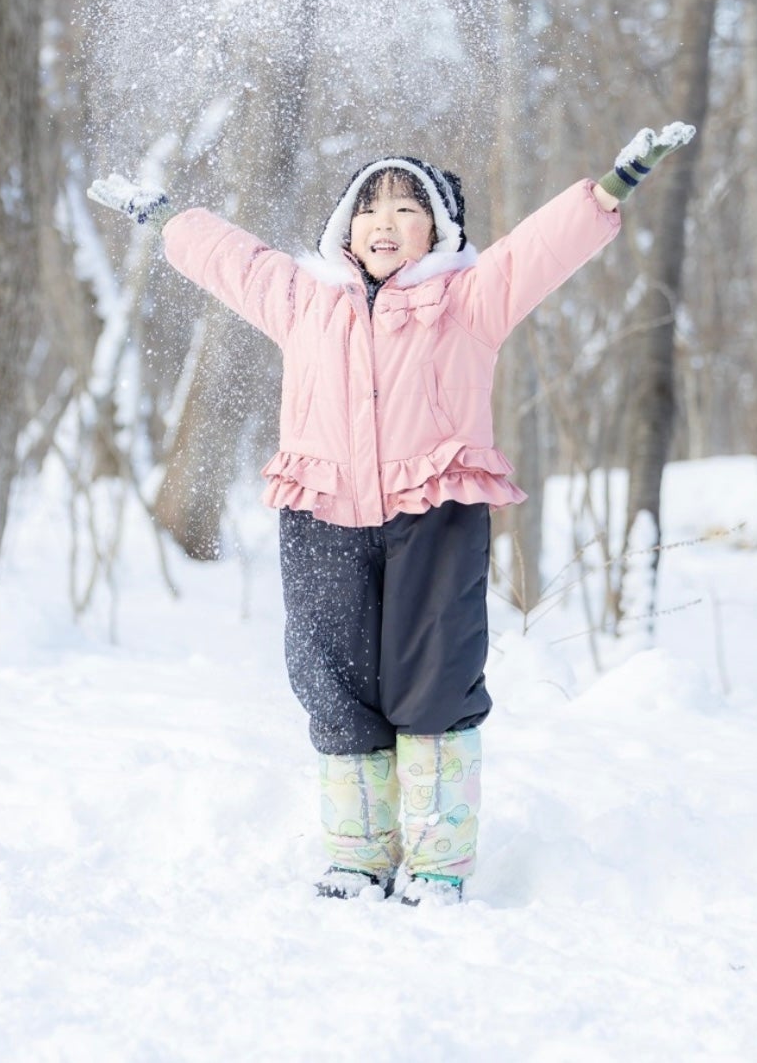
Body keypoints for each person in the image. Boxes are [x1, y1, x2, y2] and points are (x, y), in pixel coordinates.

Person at [88, 123, 694, 906]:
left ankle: (438, 862)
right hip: (323, 514)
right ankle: (358, 857)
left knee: (434, 680)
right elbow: (234, 261)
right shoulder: (306, 302)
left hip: (435, 515)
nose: (384, 222)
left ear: (438, 231)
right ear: (344, 230)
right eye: (368, 207)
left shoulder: (470, 302)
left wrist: (612, 186)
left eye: (408, 208)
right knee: (334, 683)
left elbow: (542, 248)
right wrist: (168, 217)